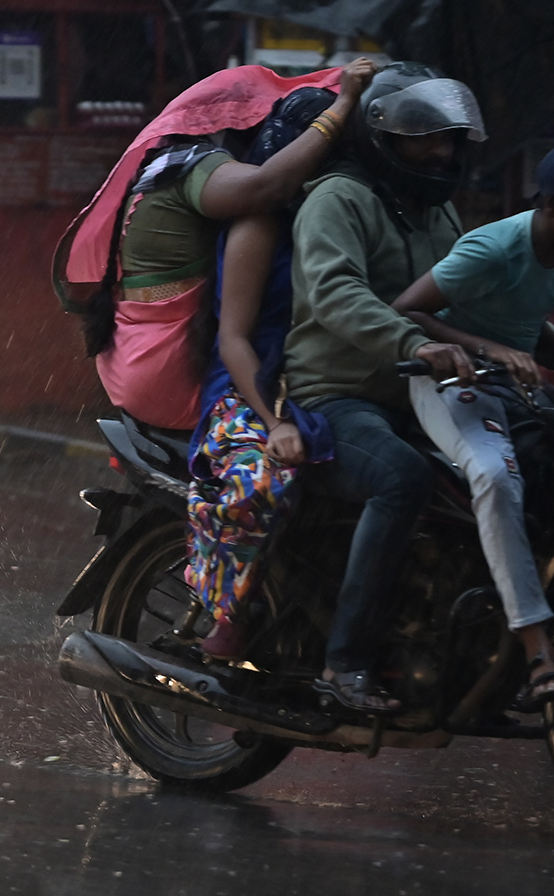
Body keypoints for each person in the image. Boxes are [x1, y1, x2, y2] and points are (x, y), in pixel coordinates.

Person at [392, 141, 554, 711]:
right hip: (443, 379)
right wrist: (493, 350)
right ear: (553, 205)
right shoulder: (492, 248)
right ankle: (535, 650)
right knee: (496, 477)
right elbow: (406, 309)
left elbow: (525, 319)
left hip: (504, 382)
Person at [282, 62, 485, 712]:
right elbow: (337, 293)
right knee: (400, 477)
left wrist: (535, 341)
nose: (443, 151)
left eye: (450, 139)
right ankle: (345, 665)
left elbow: (472, 289)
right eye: (426, 137)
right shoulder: (338, 199)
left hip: (420, 396)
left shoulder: (438, 210)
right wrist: (414, 343)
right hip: (338, 394)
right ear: (381, 136)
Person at [87, 58, 376, 430]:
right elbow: (269, 185)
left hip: (134, 359)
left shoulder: (163, 164)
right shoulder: (192, 167)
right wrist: (340, 109)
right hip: (173, 371)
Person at [186, 87, 343, 660]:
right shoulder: (261, 222)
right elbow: (233, 339)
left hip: (318, 378)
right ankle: (230, 609)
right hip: (250, 389)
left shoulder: (342, 216)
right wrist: (273, 421)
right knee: (262, 478)